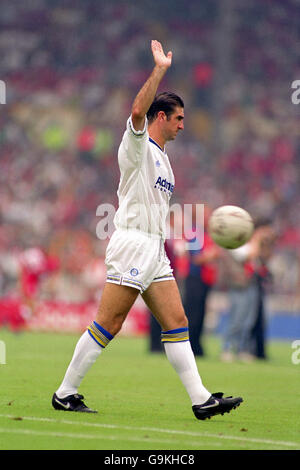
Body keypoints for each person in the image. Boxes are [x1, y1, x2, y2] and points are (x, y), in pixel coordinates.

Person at [52, 40, 243, 420]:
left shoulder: (164, 161)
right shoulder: (137, 145)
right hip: (132, 243)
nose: (182, 125)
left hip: (154, 248)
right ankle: (65, 392)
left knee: (177, 322)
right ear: (160, 117)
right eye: (178, 118)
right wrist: (159, 69)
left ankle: (201, 399)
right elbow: (138, 108)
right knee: (109, 323)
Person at [221, 221, 275, 362]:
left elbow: (264, 258)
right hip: (239, 286)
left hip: (251, 284)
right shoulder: (236, 244)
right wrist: (257, 239)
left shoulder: (251, 244)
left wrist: (265, 241)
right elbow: (248, 255)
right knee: (237, 319)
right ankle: (227, 348)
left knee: (248, 321)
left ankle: (242, 349)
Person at [184, 205, 221, 356]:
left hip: (205, 280)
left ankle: (197, 345)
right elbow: (196, 258)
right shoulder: (192, 233)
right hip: (195, 279)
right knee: (193, 314)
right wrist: (212, 255)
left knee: (201, 314)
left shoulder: (207, 234)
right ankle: (191, 346)